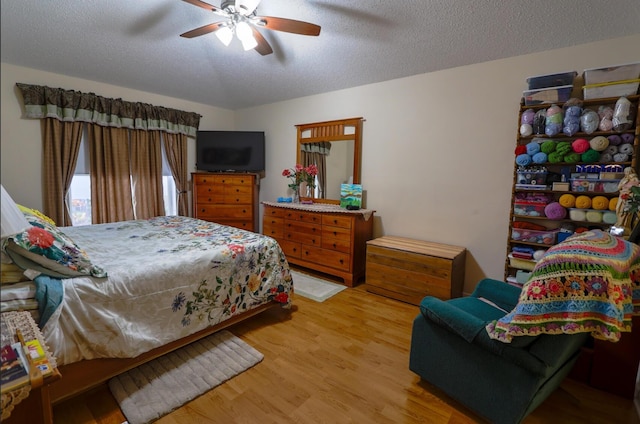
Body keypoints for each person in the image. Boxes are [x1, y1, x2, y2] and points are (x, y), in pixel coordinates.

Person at [613, 167, 640, 236]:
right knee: (618, 209)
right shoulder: (624, 179)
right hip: (622, 197)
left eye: (627, 172)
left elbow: (637, 189)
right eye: (625, 172)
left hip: (629, 197)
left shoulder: (635, 179)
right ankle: (618, 224)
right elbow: (619, 187)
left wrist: (629, 188)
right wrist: (623, 184)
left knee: (626, 212)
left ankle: (624, 227)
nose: (626, 173)